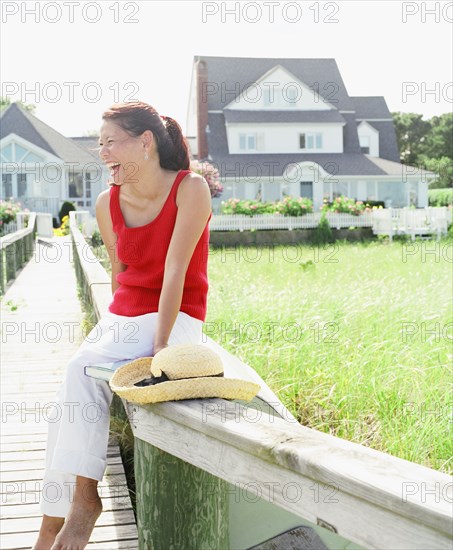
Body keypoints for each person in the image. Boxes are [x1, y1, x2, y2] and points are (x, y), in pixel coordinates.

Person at [33, 101, 212, 549]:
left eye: (111, 142)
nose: (103, 152)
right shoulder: (105, 201)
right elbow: (119, 277)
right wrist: (112, 329)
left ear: (145, 142)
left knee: (78, 372)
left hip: (177, 319)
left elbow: (175, 271)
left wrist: (162, 348)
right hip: (125, 320)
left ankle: (81, 505)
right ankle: (55, 520)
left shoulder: (190, 189)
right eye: (100, 144)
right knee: (66, 404)